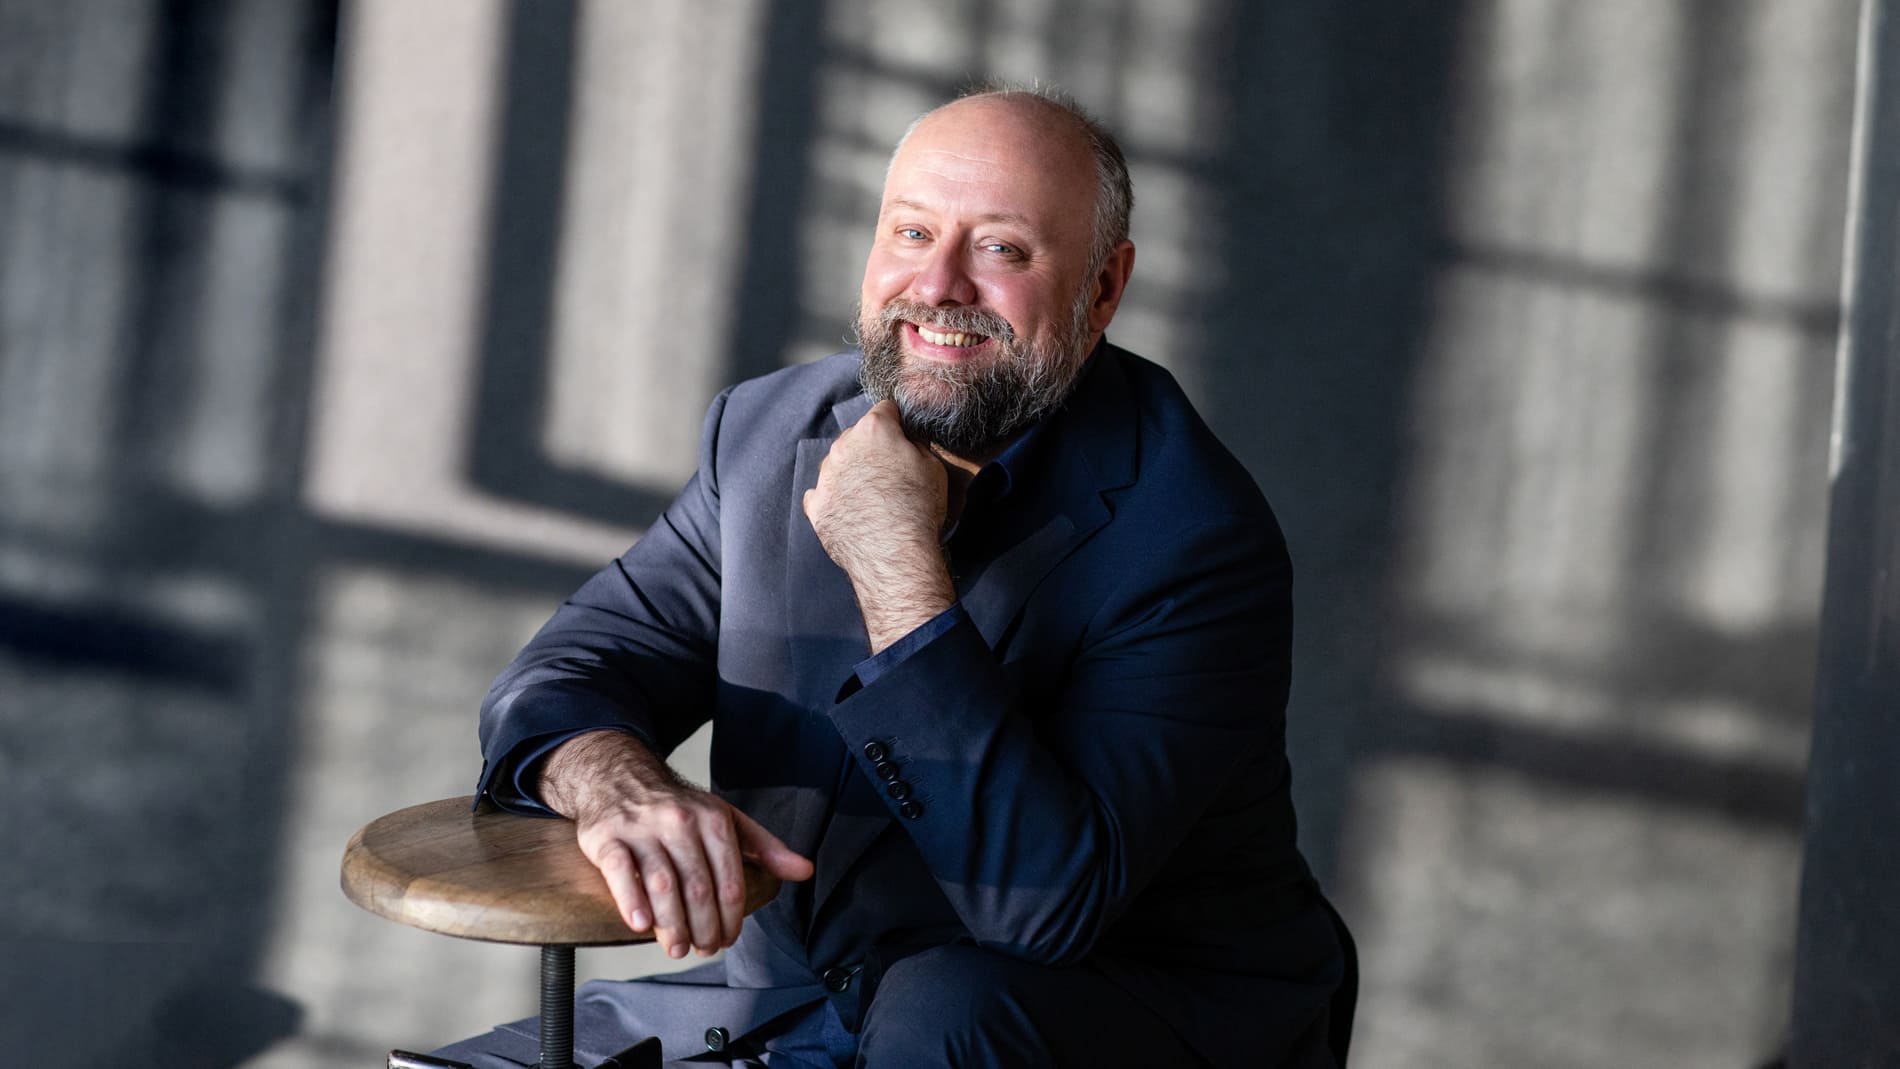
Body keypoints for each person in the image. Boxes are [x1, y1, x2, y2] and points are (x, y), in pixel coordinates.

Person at [438, 85, 1346, 1068]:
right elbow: (562, 675)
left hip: (1071, 1021)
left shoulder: (1193, 535)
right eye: (912, 233)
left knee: (942, 1006)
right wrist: (618, 784)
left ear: (1102, 288)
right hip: (787, 1002)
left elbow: (1042, 905)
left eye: (1001, 248)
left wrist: (894, 562)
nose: (939, 284)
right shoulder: (766, 433)